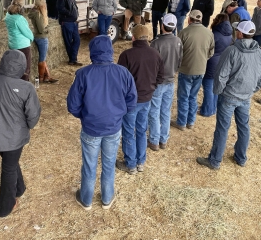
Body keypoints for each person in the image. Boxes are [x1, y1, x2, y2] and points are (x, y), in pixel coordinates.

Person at [67, 36, 137, 210]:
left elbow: (72, 105)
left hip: (91, 128)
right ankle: (107, 198)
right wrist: (118, 114)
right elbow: (132, 101)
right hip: (113, 127)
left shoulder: (83, 74)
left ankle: (86, 200)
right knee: (109, 163)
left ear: (92, 52)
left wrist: (85, 116)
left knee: (89, 165)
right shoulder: (123, 73)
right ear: (110, 51)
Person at [0, 50, 41, 218]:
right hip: (14, 138)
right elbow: (33, 116)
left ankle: (20, 188)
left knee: (9, 161)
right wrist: (25, 127)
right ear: (23, 66)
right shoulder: (26, 87)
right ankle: (5, 207)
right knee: (9, 167)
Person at [197, 21, 261, 170]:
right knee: (244, 127)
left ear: (240, 34)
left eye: (237, 30)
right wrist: (252, 89)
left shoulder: (232, 51)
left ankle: (215, 161)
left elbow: (221, 75)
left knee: (222, 128)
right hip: (245, 97)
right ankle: (241, 158)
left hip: (228, 96)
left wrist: (218, 92)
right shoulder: (260, 52)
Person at [117, 24, 163, 174]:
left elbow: (120, 80)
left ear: (133, 37)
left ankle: (130, 164)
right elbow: (160, 77)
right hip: (147, 98)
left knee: (129, 130)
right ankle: (141, 162)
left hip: (131, 100)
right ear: (147, 37)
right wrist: (150, 88)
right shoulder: (155, 54)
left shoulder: (126, 55)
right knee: (142, 130)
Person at [171, 10, 214, 131]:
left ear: (189, 19)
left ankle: (181, 122)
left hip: (186, 69)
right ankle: (191, 121)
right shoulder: (209, 33)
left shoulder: (184, 33)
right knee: (193, 97)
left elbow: (177, 52)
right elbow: (211, 52)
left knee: (184, 97)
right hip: (201, 70)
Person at [147, 14, 183, 151]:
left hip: (158, 82)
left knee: (154, 110)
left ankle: (154, 140)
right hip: (171, 80)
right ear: (174, 27)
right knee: (166, 111)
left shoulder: (156, 43)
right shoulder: (178, 41)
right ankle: (164, 140)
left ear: (162, 26)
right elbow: (180, 61)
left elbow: (151, 65)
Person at [199, 13, 232, 117]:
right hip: (223, 63)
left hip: (212, 63)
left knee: (208, 86)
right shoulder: (230, 34)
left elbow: (207, 49)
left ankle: (207, 110)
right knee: (216, 87)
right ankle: (213, 108)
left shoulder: (214, 35)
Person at [29, 0, 58, 83]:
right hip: (41, 37)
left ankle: (47, 76)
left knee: (43, 58)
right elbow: (41, 29)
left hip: (38, 37)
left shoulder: (34, 12)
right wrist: (47, 29)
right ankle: (41, 77)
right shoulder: (38, 14)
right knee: (42, 58)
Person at [5, 0, 34, 81]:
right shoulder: (19, 18)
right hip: (22, 45)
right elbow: (26, 32)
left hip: (13, 44)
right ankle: (24, 85)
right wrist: (32, 38)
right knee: (25, 67)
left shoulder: (8, 15)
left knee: (15, 66)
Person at [57, 0, 82, 66]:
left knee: (77, 40)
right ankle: (72, 59)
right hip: (67, 21)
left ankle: (73, 58)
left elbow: (73, 5)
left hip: (73, 21)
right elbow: (60, 7)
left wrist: (75, 13)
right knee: (68, 41)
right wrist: (70, 13)